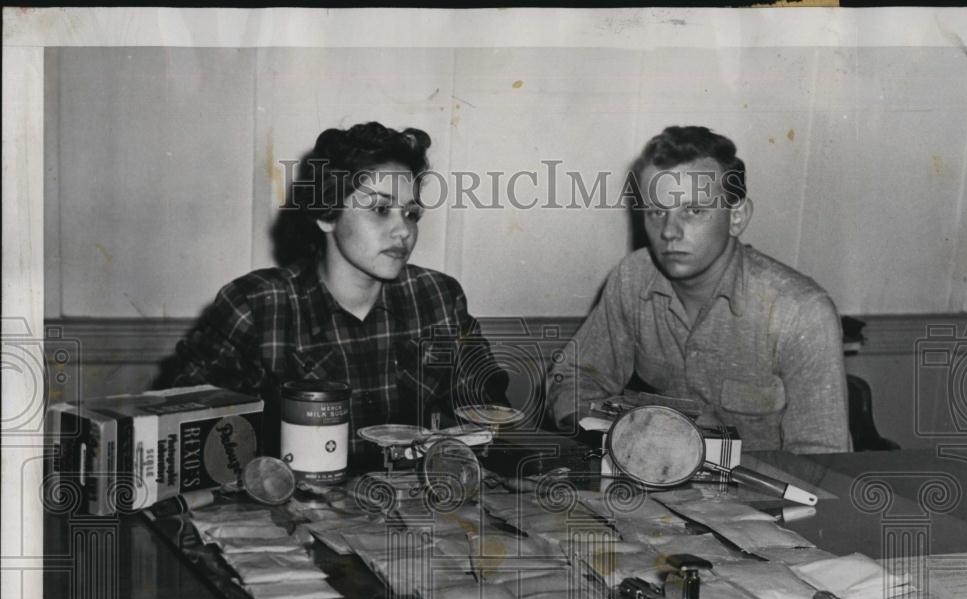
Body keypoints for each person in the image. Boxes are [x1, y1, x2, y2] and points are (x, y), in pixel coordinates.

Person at [165, 122, 508, 459]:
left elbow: (493, 417)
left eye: (411, 213)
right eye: (380, 209)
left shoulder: (437, 298)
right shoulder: (256, 306)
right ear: (327, 214)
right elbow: (186, 439)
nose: (403, 230)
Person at [547, 126, 850, 453]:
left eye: (693, 211)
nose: (669, 232)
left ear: (737, 217)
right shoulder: (632, 278)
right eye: (657, 211)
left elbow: (822, 460)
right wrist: (608, 433)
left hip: (763, 497)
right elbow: (573, 378)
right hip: (652, 487)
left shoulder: (800, 311)